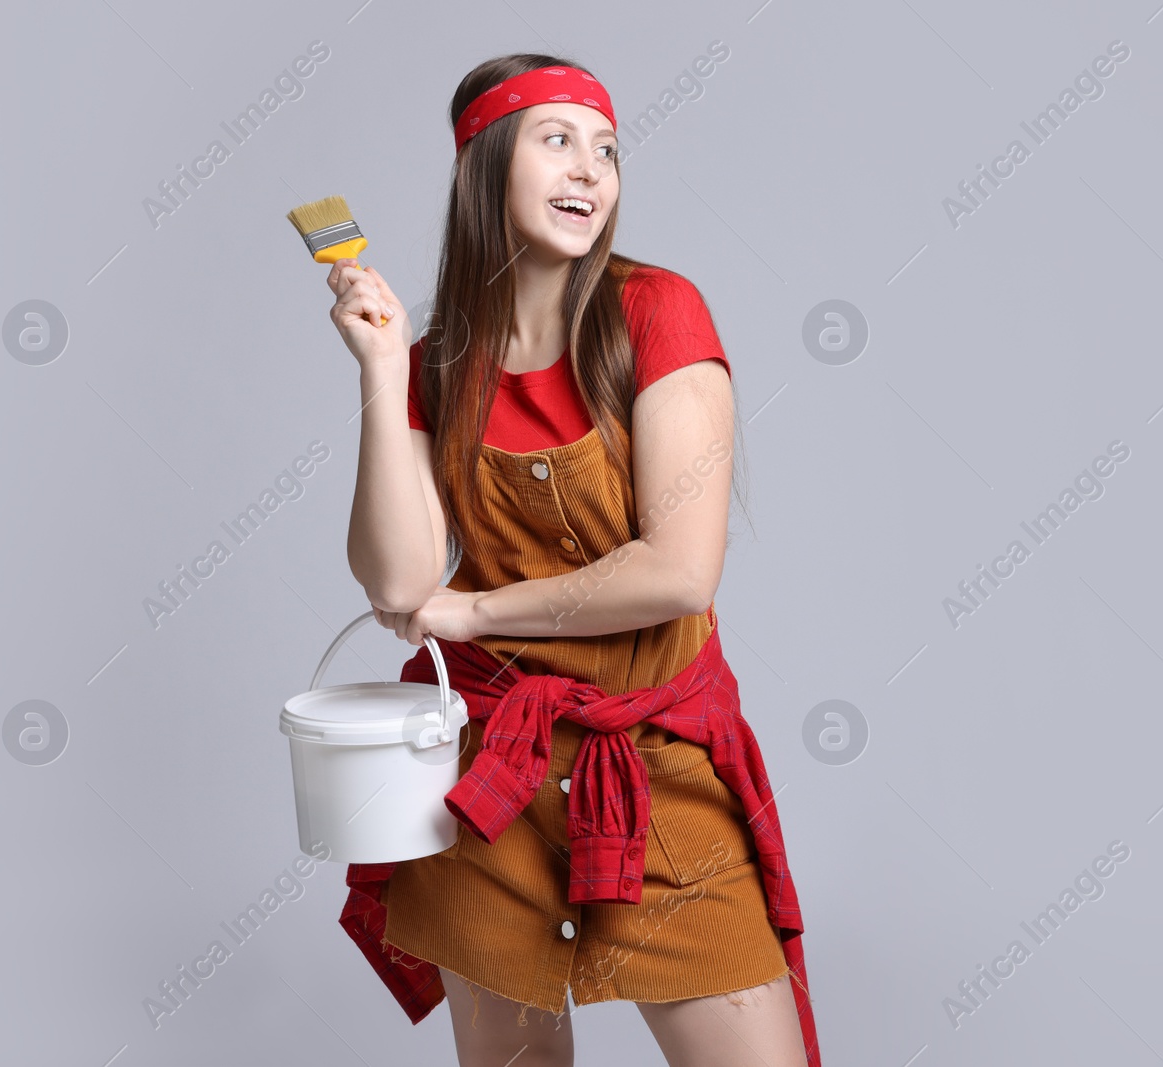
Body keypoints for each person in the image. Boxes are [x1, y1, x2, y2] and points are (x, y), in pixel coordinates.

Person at [325, 53, 819, 1067]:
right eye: (557, 141)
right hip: (492, 790)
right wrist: (384, 372)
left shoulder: (657, 313)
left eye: (606, 150)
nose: (590, 170)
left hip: (660, 775)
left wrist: (473, 614)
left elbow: (677, 571)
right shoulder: (437, 367)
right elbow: (395, 583)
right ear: (484, 165)